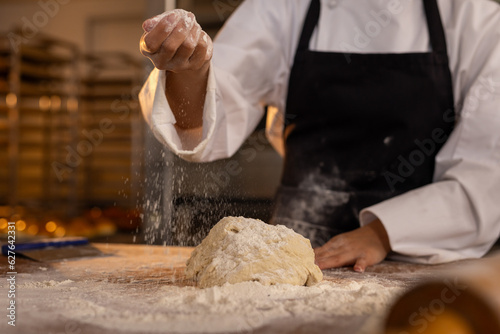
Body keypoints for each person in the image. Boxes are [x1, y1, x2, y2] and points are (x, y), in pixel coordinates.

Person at [139, 0, 500, 272]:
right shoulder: (284, 7)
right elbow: (202, 115)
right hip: (294, 259)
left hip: (426, 262)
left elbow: (489, 175)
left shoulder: (476, 20)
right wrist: (190, 68)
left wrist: (383, 233)